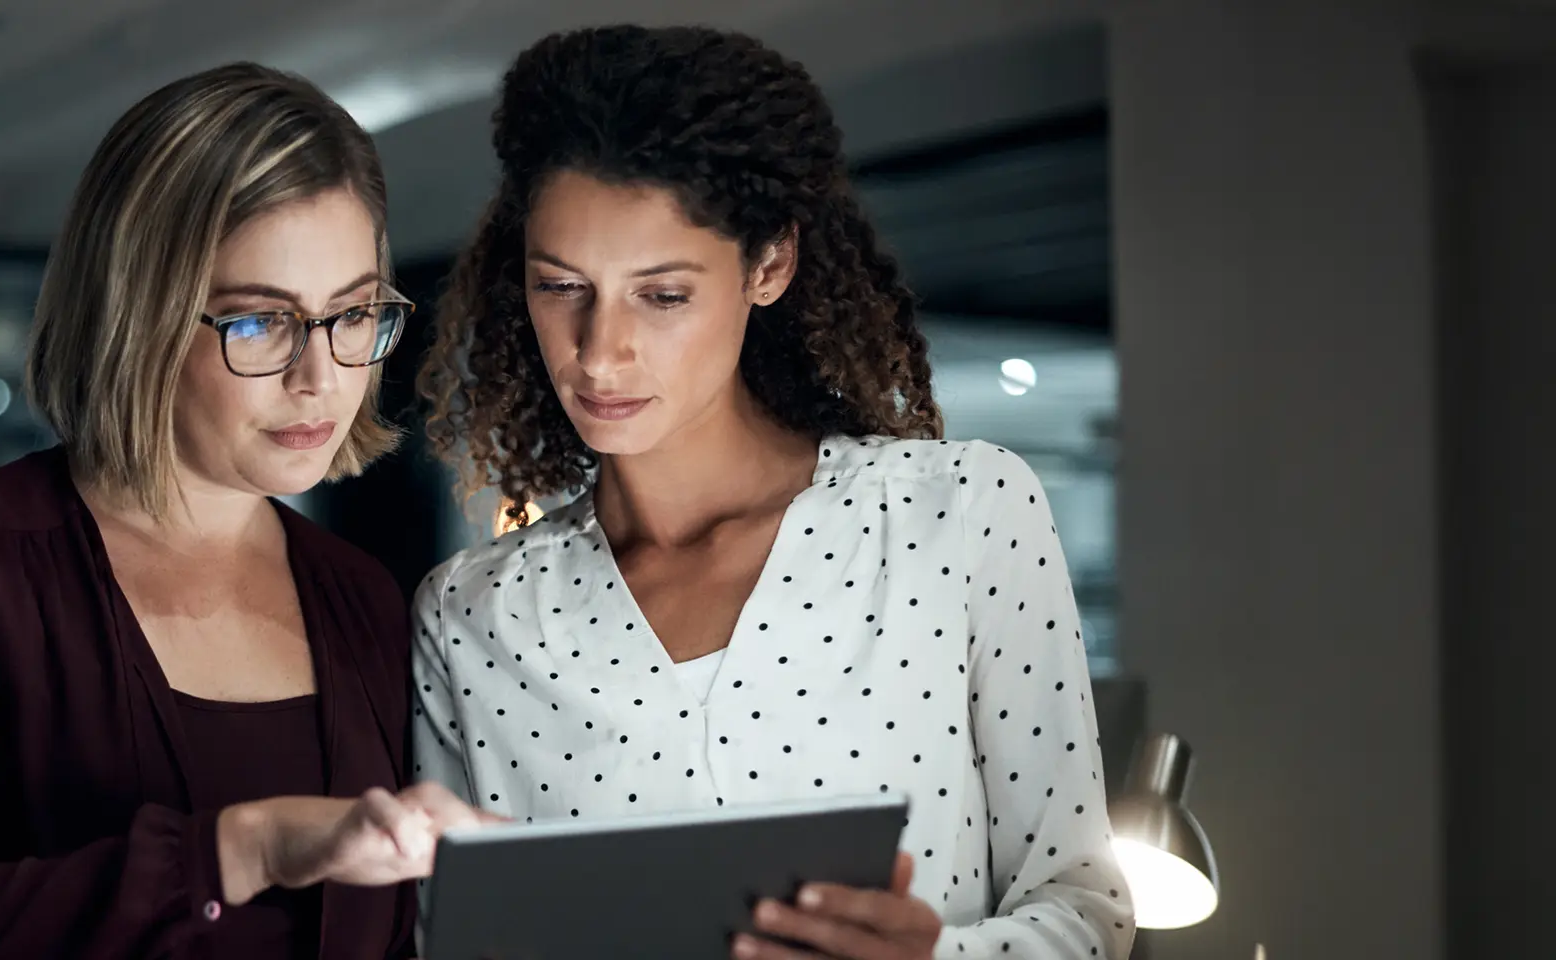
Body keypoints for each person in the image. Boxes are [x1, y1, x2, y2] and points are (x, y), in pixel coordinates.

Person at [411, 25, 1134, 960]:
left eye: (662, 295)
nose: (597, 351)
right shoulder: (474, 615)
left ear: (770, 265)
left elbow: (1085, 908)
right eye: (561, 286)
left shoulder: (961, 517)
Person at [0, 62, 488, 960]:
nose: (320, 377)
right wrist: (241, 850)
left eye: (354, 314)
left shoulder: (362, 596)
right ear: (138, 319)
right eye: (260, 322)